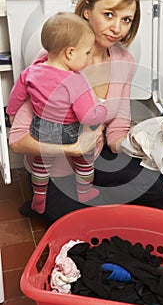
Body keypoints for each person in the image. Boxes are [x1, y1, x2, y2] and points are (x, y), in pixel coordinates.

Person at [8, 0, 163, 225]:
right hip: (55, 165)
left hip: (93, 159)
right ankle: (47, 203)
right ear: (87, 10)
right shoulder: (54, 60)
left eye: (127, 20)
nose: (117, 28)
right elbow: (19, 137)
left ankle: (103, 205)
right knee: (75, 219)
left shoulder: (123, 62)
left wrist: (142, 149)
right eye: (109, 14)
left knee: (159, 185)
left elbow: (117, 125)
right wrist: (74, 148)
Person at [7, 12, 107, 213]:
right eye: (87, 53)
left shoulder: (31, 72)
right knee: (84, 159)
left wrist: (12, 113)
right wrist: (102, 111)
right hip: (69, 131)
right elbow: (87, 116)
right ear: (70, 53)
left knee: (41, 164)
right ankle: (85, 190)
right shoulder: (75, 81)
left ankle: (39, 198)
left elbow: (15, 97)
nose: (89, 58)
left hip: (42, 128)